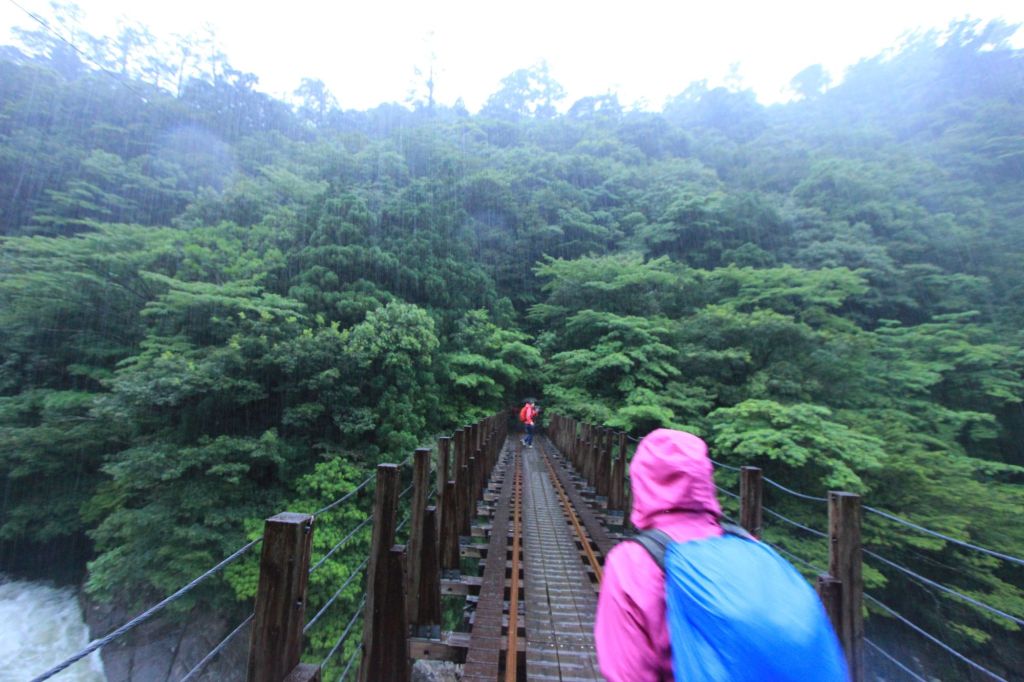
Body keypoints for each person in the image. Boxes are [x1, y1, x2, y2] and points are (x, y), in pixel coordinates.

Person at [594, 428, 846, 681]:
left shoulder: (631, 562)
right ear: (704, 478)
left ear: (641, 481)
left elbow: (626, 673)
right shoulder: (751, 546)